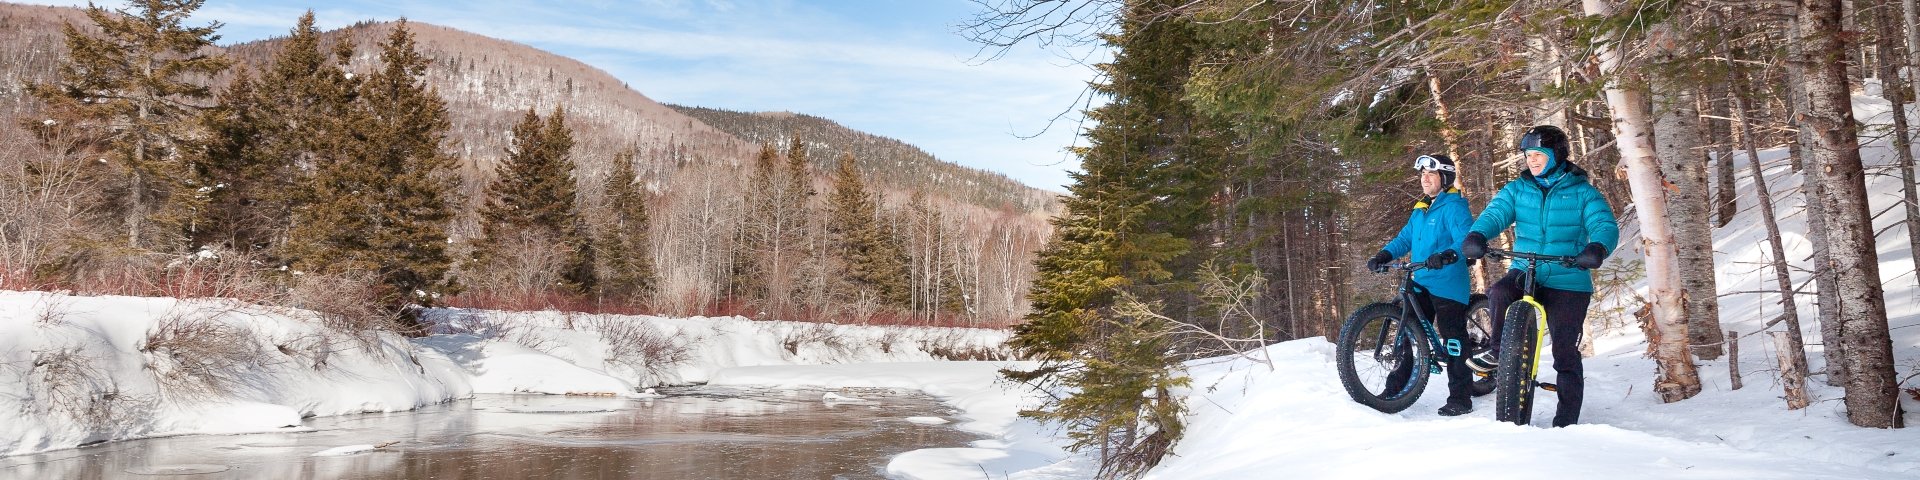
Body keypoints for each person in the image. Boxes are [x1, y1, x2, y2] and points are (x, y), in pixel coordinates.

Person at [1460, 125, 1619, 427]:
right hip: (1526, 268)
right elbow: (1496, 214)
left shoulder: (1582, 192)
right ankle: (1499, 352)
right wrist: (1478, 234)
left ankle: (1566, 420)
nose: (1532, 161)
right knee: (1498, 292)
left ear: (1556, 155)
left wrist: (1597, 247)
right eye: (1528, 155)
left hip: (1567, 277)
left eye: (1538, 155)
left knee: (1564, 351)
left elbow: (1604, 224)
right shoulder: (1518, 189)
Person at [1365, 153, 1476, 416]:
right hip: (1421, 280)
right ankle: (1395, 390)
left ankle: (1461, 398)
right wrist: (1384, 255)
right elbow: (1405, 239)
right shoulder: (1421, 208)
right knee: (1406, 334)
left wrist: (1448, 255)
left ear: (1445, 177)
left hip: (1448, 283)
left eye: (1431, 174)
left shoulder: (1454, 206)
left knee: (1453, 339)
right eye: (1422, 174)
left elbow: (1465, 238)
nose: (1425, 178)